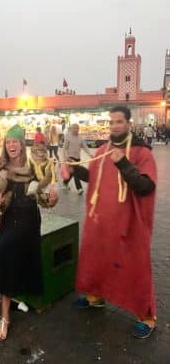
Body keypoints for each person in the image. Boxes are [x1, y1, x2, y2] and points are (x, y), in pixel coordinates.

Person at [68, 106, 157, 339]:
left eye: (119, 121)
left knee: (134, 267)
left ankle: (147, 316)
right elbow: (94, 177)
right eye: (112, 122)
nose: (115, 126)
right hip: (101, 223)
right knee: (97, 259)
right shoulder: (103, 149)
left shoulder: (142, 153)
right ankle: (95, 297)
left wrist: (125, 164)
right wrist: (74, 171)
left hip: (128, 224)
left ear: (129, 124)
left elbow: (146, 187)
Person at [0, 124, 58, 341]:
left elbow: (41, 199)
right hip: (10, 220)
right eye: (8, 142)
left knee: (10, 262)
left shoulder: (33, 167)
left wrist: (51, 200)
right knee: (5, 253)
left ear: (22, 144)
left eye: (16, 141)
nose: (12, 145)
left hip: (30, 221)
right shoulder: (1, 169)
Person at [63, 123, 93, 194]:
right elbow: (64, 148)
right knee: (76, 172)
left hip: (77, 159)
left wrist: (90, 154)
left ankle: (65, 182)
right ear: (71, 129)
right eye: (74, 128)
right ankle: (79, 188)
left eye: (77, 128)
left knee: (72, 173)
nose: (76, 130)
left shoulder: (80, 138)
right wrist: (66, 157)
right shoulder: (68, 137)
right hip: (70, 158)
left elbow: (85, 147)